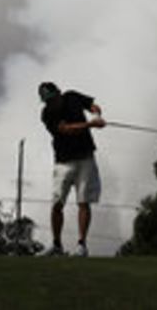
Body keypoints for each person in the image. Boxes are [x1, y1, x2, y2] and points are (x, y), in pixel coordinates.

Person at [38, 81, 106, 256]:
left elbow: (92, 105)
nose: (50, 103)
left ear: (59, 93)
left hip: (86, 158)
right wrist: (91, 125)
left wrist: (96, 114)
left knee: (83, 202)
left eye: (52, 99)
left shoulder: (72, 97)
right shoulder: (47, 114)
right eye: (47, 101)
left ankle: (82, 245)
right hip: (63, 161)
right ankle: (57, 245)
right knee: (57, 204)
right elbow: (67, 129)